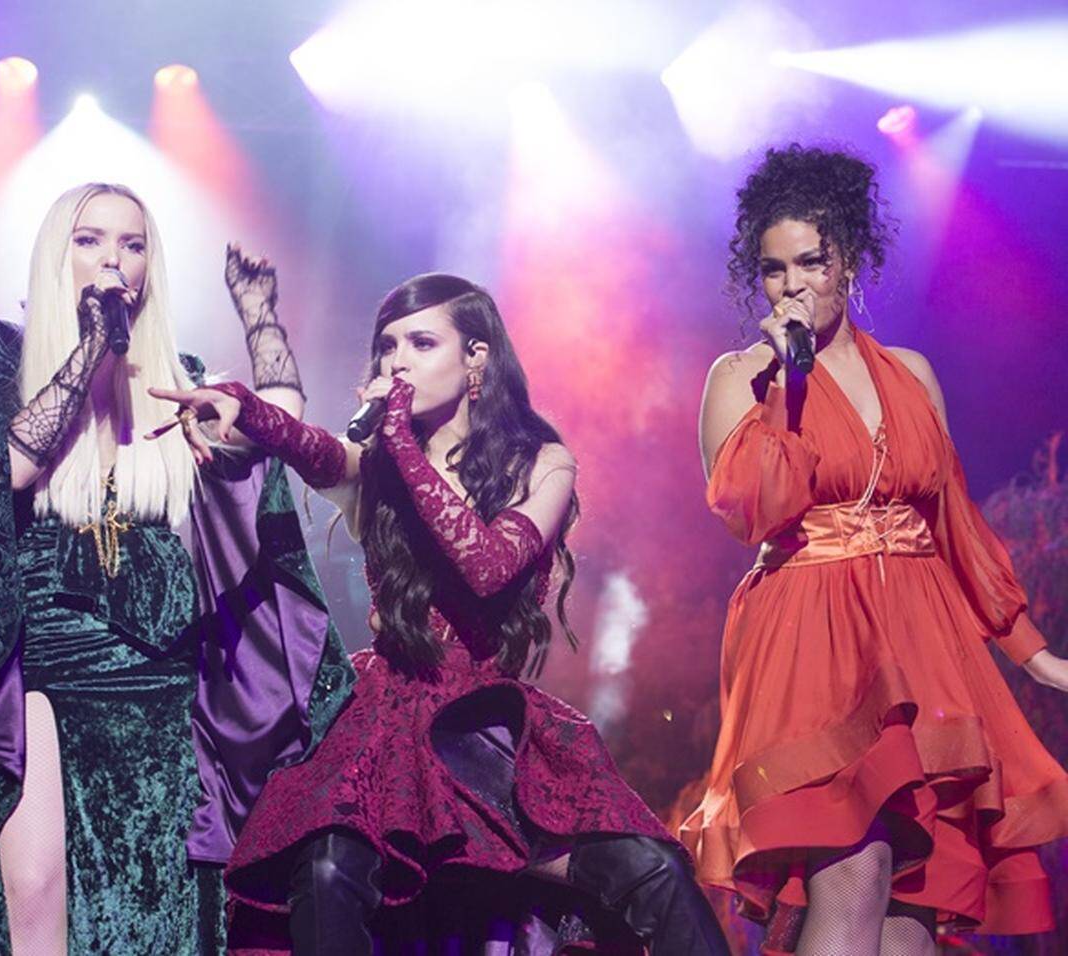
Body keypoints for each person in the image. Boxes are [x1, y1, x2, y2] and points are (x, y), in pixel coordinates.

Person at [149, 273, 730, 955]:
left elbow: (489, 566)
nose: (397, 362)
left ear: (477, 357)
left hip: (486, 733)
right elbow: (311, 447)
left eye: (422, 344)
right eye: (387, 346)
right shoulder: (375, 463)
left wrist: (397, 441)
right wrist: (244, 408)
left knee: (655, 872)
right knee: (329, 871)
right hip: (386, 724)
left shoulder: (542, 463)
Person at [0, 183, 352, 954]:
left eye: (133, 243)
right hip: (48, 659)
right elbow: (8, 468)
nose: (113, 258)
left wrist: (260, 319)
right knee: (34, 885)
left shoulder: (177, 373)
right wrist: (94, 344)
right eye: (90, 240)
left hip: (160, 672)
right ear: (58, 254)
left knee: (155, 896)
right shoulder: (7, 352)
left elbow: (274, 436)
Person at [682, 144, 1068, 955]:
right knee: (853, 870)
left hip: (922, 644)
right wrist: (788, 384)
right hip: (811, 641)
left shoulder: (912, 375)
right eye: (774, 269)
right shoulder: (741, 377)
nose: (791, 285)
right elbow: (753, 510)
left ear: (849, 261)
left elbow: (954, 523)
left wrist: (1032, 655)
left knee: (913, 907)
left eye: (811, 262)